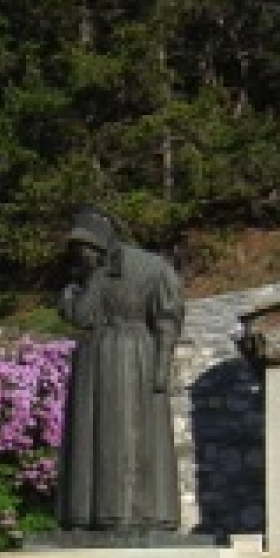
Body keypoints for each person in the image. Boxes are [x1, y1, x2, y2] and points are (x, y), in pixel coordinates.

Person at [57, 205, 184, 531]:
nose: (80, 257)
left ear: (99, 245)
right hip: (98, 360)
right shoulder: (98, 273)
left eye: (84, 249)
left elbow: (167, 320)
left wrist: (160, 369)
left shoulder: (149, 268)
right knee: (93, 435)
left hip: (130, 357)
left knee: (128, 436)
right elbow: (83, 318)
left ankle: (129, 514)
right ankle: (87, 514)